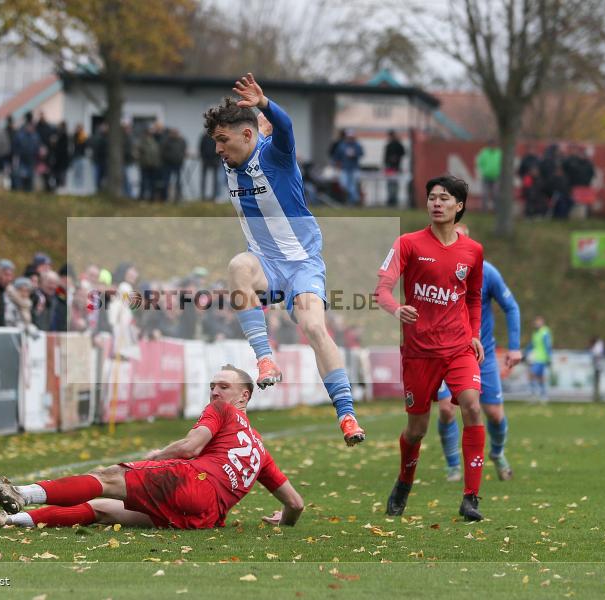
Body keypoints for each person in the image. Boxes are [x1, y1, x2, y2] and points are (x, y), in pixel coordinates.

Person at [203, 73, 364, 446]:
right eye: (215, 142)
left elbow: (284, 126)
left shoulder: (274, 153)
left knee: (312, 326)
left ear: (246, 137)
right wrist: (252, 120)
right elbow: (249, 129)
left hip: (302, 263)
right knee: (237, 267)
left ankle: (346, 414)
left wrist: (264, 105)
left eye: (222, 141)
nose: (217, 150)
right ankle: (265, 359)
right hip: (266, 263)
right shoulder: (233, 158)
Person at [0, 365, 304, 529]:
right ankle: (10, 521)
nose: (215, 392)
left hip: (190, 484)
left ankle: (22, 493)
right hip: (204, 517)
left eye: (224, 386)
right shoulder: (260, 449)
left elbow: (190, 447)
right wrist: (284, 520)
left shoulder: (222, 411)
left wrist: (158, 457)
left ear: (244, 395)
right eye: (213, 385)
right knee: (102, 508)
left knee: (109, 476)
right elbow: (296, 503)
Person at [374, 175, 486, 521]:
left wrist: (474, 333)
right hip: (419, 352)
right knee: (417, 430)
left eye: (444, 198)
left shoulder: (473, 251)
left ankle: (471, 498)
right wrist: (397, 308)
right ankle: (404, 482)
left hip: (458, 349)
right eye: (432, 198)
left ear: (459, 206)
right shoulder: (408, 243)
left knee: (471, 405)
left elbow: (473, 297)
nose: (436, 203)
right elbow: (382, 290)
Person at [435, 223, 521, 483]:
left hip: (480, 354)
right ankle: (453, 466)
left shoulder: (487, 273)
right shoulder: (435, 270)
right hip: (443, 353)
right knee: (447, 410)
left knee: (494, 413)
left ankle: (497, 453)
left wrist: (515, 347)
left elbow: (511, 307)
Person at [332, 130, 364, 205]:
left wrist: (354, 154)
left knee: (353, 185)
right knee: (344, 184)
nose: (350, 139)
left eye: (351, 137)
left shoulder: (357, 145)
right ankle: (356, 198)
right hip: (344, 168)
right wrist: (336, 164)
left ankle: (352, 201)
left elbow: (361, 153)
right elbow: (336, 156)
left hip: (354, 168)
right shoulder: (342, 145)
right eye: (349, 137)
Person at [526, 316, 552, 401]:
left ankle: (537, 394)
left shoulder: (545, 332)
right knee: (538, 377)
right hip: (535, 358)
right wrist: (525, 353)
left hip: (542, 358)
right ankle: (541, 395)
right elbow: (532, 344)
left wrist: (549, 358)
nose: (536, 324)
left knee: (534, 375)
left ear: (542, 322)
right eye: (536, 322)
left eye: (538, 322)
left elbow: (548, 345)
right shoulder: (535, 333)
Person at [475, 140, 501, 211]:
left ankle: (496, 209)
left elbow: (502, 164)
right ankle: (484, 209)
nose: (493, 146)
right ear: (489, 145)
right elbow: (479, 163)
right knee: (485, 194)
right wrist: (483, 171)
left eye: (494, 144)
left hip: (496, 177)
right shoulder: (484, 152)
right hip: (486, 176)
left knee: (496, 194)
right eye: (492, 144)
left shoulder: (499, 153)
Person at [383, 130, 405, 206]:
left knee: (394, 184)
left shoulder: (398, 145)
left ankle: (394, 199)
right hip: (390, 168)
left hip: (396, 167)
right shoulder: (388, 145)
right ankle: (391, 198)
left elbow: (403, 153)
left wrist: (396, 158)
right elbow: (385, 158)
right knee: (390, 184)